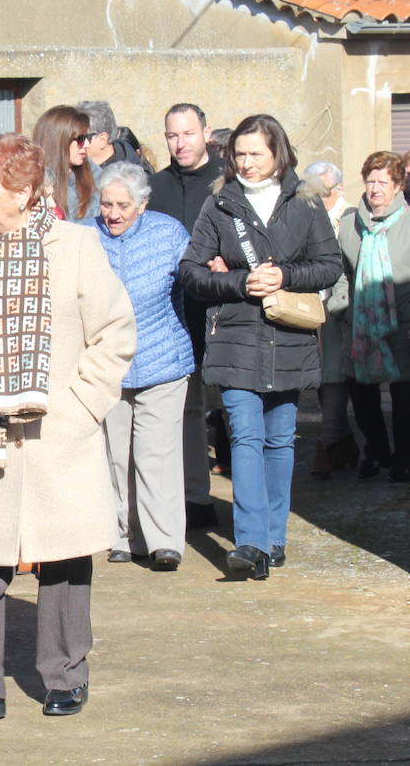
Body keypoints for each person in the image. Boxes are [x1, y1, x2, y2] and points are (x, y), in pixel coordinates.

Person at [0, 133, 134, 726]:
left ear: (25, 192)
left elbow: (115, 332)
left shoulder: (75, 246)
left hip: (61, 432)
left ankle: (65, 675)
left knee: (67, 559)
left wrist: (82, 406)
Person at [178, 114, 340, 580]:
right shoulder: (219, 204)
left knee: (279, 440)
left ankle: (274, 536)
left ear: (278, 154)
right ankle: (250, 542)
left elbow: (329, 265)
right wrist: (238, 281)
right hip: (234, 334)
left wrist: (284, 276)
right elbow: (191, 271)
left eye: (256, 154)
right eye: (240, 154)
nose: (246, 163)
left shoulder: (305, 203)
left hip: (288, 336)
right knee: (245, 436)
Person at [94, 164, 194, 571]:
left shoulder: (168, 233)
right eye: (106, 204)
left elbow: (193, 281)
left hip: (162, 359)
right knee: (114, 455)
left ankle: (164, 541)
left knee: (157, 455)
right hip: (107, 363)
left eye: (122, 205)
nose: (113, 213)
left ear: (142, 205)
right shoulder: (87, 235)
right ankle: (122, 535)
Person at [150, 103, 226, 527]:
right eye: (172, 136)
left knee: (225, 408)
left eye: (188, 134)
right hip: (170, 315)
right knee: (184, 409)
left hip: (221, 310)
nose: (180, 143)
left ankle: (203, 492)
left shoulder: (225, 185)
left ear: (205, 132)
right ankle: (189, 497)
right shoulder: (155, 187)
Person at [338, 151, 410, 483]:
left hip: (403, 323)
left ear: (398, 186)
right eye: (371, 181)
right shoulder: (351, 225)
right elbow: (341, 274)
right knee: (360, 390)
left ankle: (404, 458)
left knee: (403, 393)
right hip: (360, 325)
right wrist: (340, 311)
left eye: (383, 182)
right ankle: (377, 449)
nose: (376, 188)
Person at [302, 161, 358, 477]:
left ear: (338, 190)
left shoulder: (348, 218)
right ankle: (343, 441)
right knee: (323, 377)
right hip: (310, 306)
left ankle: (328, 442)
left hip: (338, 309)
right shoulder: (306, 216)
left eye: (320, 193)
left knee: (334, 375)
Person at [33, 105, 96, 224]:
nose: (87, 144)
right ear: (58, 141)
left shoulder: (96, 176)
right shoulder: (34, 183)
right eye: (81, 139)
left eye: (89, 137)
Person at [76, 100, 151, 173]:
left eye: (80, 138)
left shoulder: (134, 178)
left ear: (102, 139)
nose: (72, 143)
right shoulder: (71, 169)